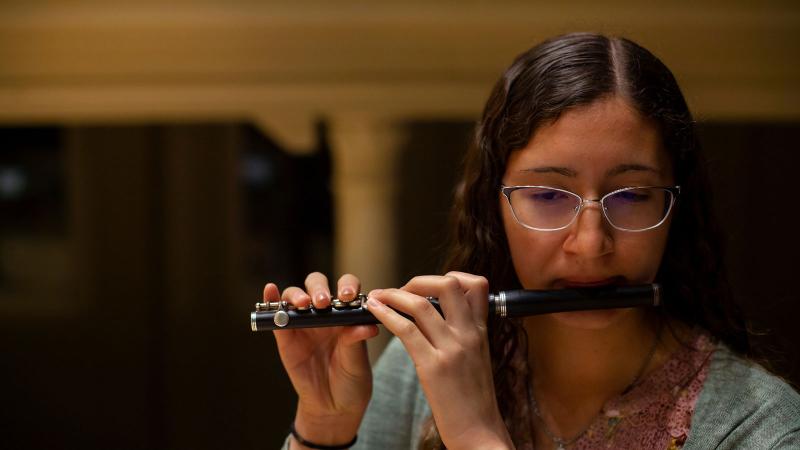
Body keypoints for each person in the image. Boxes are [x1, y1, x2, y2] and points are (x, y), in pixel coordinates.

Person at [264, 32, 800, 449]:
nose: (591, 245)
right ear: (493, 205)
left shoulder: (758, 426)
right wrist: (324, 429)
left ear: (675, 207)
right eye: (548, 196)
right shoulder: (423, 365)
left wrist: (476, 435)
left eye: (633, 196)